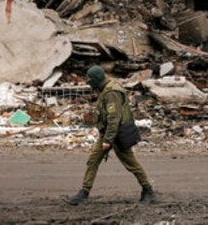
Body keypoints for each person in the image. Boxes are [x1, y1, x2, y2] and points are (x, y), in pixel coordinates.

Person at [63, 65, 155, 205]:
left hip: (116, 134)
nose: (89, 83)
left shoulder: (112, 92)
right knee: (93, 161)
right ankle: (84, 193)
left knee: (131, 164)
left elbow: (114, 118)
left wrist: (108, 140)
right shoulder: (106, 89)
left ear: (97, 80)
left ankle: (148, 190)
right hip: (107, 133)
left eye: (90, 80)